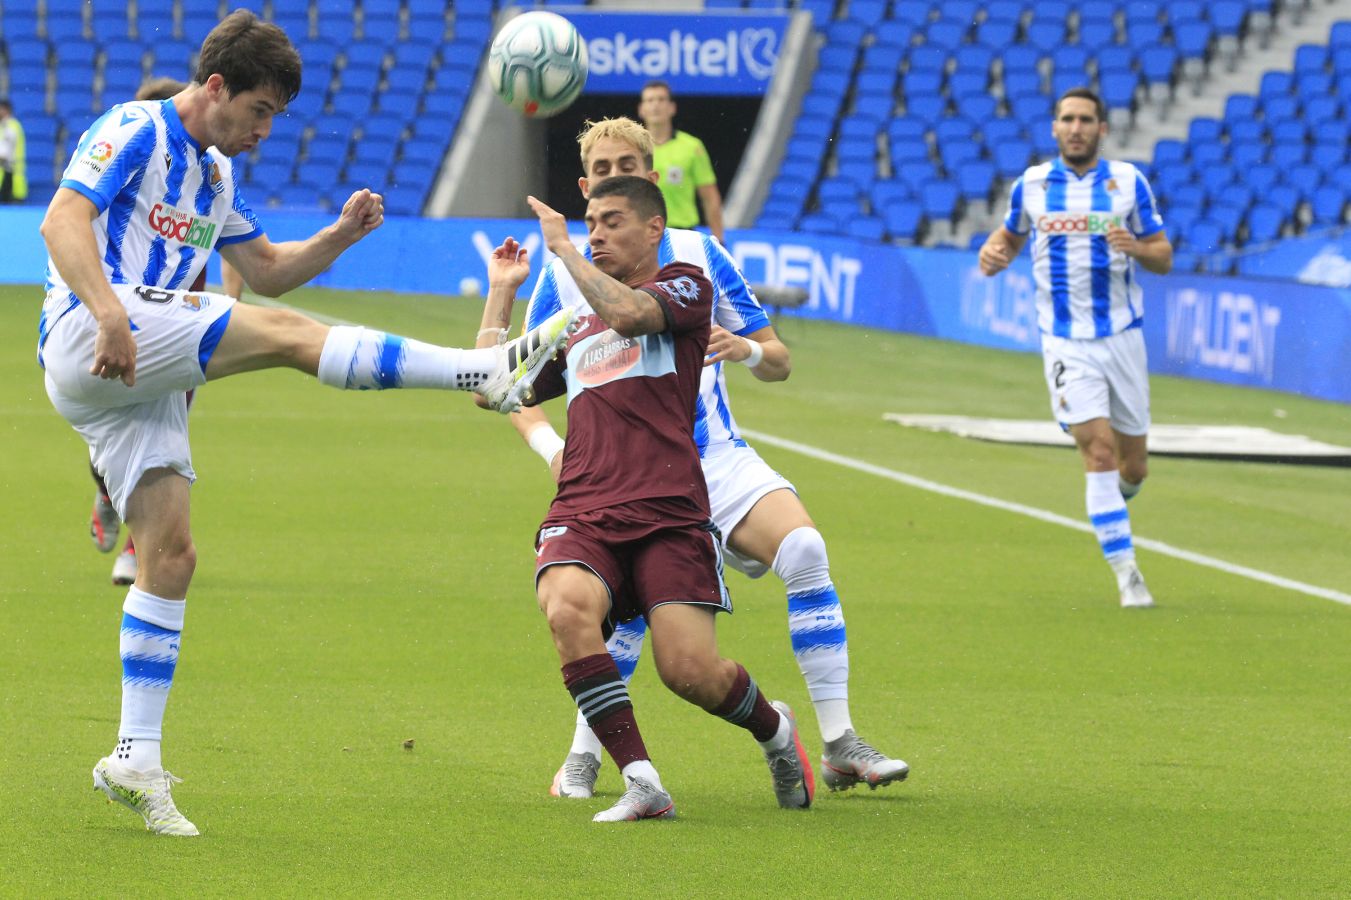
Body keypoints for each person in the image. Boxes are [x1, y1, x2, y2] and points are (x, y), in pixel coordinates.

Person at [40, 10, 574, 837]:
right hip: (93, 334)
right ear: (216, 87)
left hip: (137, 378)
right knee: (290, 342)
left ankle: (134, 759)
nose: (262, 131)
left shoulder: (215, 178)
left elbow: (269, 272)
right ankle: (487, 372)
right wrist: (108, 312)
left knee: (172, 555)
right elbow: (60, 221)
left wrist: (339, 236)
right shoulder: (134, 129)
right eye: (258, 111)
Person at [480, 117, 907, 800]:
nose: (615, 174)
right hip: (614, 469)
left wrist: (750, 351)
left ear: (652, 179)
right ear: (586, 185)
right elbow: (507, 380)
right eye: (600, 169)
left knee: (801, 548)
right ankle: (590, 758)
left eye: (630, 163)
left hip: (713, 459)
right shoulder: (570, 274)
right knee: (614, 618)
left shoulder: (695, 259)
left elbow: (778, 358)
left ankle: (838, 743)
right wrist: (554, 447)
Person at [491, 175, 814, 822]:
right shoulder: (577, 320)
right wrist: (500, 297)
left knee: (690, 672)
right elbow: (499, 388)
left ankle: (775, 731)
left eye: (611, 221)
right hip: (583, 508)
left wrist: (565, 253)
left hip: (667, 512)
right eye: (589, 222)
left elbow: (629, 314)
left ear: (653, 230)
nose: (596, 232)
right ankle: (642, 782)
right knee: (565, 605)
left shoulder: (686, 289)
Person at [977, 87, 1172, 609]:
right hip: (1065, 341)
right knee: (1099, 451)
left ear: (1101, 129)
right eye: (1068, 119)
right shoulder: (1033, 185)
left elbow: (1163, 255)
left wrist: (1137, 247)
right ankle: (1127, 572)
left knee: (1133, 467)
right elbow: (1008, 237)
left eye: (1087, 119)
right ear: (1055, 128)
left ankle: (1113, 507)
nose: (1077, 127)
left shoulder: (1128, 182)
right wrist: (993, 253)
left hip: (1123, 338)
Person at [89, 77, 249, 586]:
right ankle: (106, 494)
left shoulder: (203, 178)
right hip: (114, 325)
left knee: (163, 436)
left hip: (180, 331)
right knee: (107, 439)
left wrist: (233, 304)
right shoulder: (127, 175)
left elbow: (239, 249)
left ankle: (137, 552)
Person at [637, 81, 723, 243]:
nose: (655, 105)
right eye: (650, 100)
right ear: (641, 109)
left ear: (672, 108)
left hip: (682, 235)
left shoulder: (692, 147)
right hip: (642, 235)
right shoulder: (632, 147)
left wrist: (719, 240)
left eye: (661, 99)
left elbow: (710, 198)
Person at [0, 97, 28, 203]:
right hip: (8, 174)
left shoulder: (10, 126)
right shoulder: (5, 125)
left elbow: (3, 153)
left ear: (6, 110)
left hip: (11, 175)